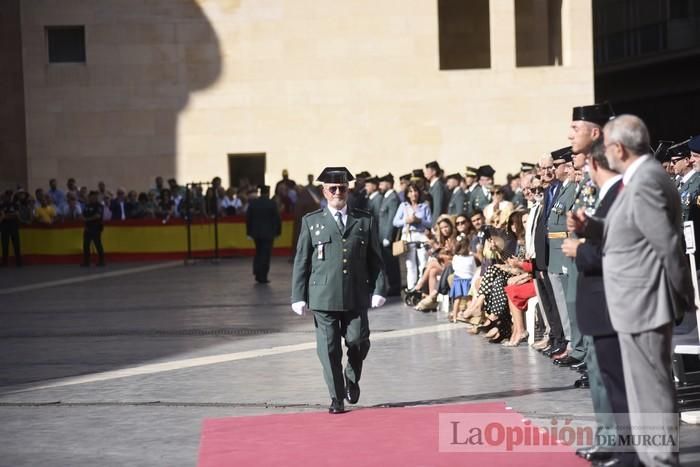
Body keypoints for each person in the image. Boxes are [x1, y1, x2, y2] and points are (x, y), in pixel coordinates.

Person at [570, 115, 693, 467]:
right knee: (641, 393)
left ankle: (660, 459)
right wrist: (592, 226)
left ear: (618, 148)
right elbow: (629, 228)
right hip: (634, 302)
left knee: (651, 392)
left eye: (606, 146)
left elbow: (665, 244)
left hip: (645, 302)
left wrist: (680, 296)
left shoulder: (646, 180)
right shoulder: (637, 179)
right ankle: (650, 454)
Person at [562, 139, 637, 466]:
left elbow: (620, 249)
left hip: (612, 301)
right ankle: (611, 441)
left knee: (621, 386)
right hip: (597, 301)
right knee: (600, 376)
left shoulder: (623, 191)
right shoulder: (604, 193)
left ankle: (629, 450)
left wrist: (580, 249)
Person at [291, 167, 386, 415]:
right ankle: (336, 397)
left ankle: (351, 376)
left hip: (356, 295)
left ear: (348, 190)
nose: (337, 192)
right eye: (332, 189)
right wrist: (297, 296)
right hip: (323, 297)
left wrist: (378, 289)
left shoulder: (364, 220)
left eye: (342, 188)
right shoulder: (312, 222)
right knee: (329, 349)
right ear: (324, 191)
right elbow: (302, 260)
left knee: (357, 340)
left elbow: (375, 259)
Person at [393, 182, 432, 290]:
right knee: (410, 265)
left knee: (423, 262)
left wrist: (419, 220)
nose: (413, 194)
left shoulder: (424, 206)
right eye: (410, 191)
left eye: (415, 191)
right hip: (409, 237)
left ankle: (422, 287)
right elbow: (395, 222)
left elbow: (430, 223)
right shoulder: (403, 206)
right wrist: (407, 220)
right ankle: (411, 288)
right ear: (407, 194)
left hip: (421, 236)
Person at [246, 185, 282, 284]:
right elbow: (277, 219)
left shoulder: (253, 203)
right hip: (268, 233)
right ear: (268, 192)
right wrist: (278, 232)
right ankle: (263, 276)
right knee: (265, 254)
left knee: (258, 252)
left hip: (256, 233)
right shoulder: (272, 203)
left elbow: (248, 218)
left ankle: (257, 272)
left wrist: (249, 232)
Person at [377, 174, 401, 296]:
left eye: (382, 183)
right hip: (382, 237)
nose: (380, 186)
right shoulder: (386, 197)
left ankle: (395, 286)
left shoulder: (392, 198)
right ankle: (392, 285)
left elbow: (391, 218)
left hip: (387, 238)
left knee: (391, 264)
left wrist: (388, 236)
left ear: (388, 183)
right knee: (387, 263)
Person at [449, 233, 476, 322]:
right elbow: (474, 269)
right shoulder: (471, 258)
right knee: (469, 299)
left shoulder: (456, 257)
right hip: (468, 280)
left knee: (457, 299)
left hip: (458, 280)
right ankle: (470, 316)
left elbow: (454, 267)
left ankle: (454, 317)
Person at [82, 191, 105, 267]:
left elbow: (97, 216)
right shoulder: (87, 206)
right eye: (91, 196)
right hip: (88, 228)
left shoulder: (99, 206)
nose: (92, 198)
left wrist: (87, 219)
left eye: (94, 196)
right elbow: (83, 215)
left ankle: (102, 261)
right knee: (86, 245)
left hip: (96, 227)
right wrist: (84, 222)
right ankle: (86, 261)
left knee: (97, 244)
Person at [0, 190, 22, 267]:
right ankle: (4, 262)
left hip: (14, 226)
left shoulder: (15, 204)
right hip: (4, 227)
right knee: (4, 245)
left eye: (10, 195)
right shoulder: (2, 205)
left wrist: (6, 216)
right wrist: (10, 215)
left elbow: (17, 214)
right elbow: (2, 216)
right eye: (8, 195)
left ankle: (18, 261)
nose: (9, 197)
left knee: (16, 244)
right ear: (5, 196)